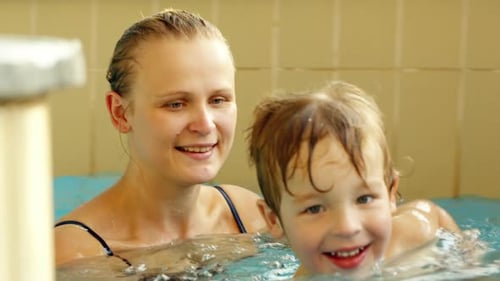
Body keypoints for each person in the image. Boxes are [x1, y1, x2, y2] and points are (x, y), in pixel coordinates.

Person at [54, 8, 267, 266]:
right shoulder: (72, 254)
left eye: (218, 100)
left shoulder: (251, 218)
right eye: (176, 104)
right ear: (120, 113)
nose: (204, 124)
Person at [247, 80, 460, 278]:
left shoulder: (411, 236)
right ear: (274, 220)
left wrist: (467, 256)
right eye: (314, 209)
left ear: (390, 194)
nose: (347, 227)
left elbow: (432, 213)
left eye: (364, 199)